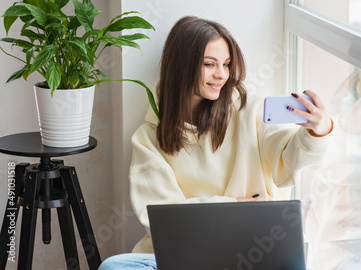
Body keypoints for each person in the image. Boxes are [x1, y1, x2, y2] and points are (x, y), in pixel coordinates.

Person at [98, 16, 335, 269]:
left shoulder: (249, 112)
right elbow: (164, 220)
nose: (221, 74)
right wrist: (234, 206)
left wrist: (317, 132)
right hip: (182, 255)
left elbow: (287, 160)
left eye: (226, 64)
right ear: (181, 66)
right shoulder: (148, 139)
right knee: (113, 266)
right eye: (210, 64)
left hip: (251, 249)